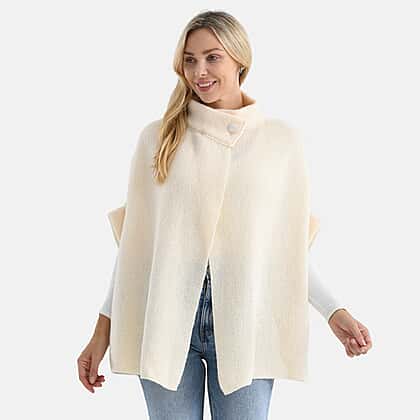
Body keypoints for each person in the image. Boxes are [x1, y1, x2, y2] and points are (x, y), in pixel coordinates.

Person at [77, 10, 372, 419]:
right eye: (190, 59)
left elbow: (285, 250)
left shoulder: (280, 142)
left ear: (240, 60)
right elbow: (136, 249)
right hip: (164, 317)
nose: (199, 71)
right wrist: (101, 333)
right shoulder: (158, 139)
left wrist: (334, 312)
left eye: (212, 57)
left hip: (246, 320)